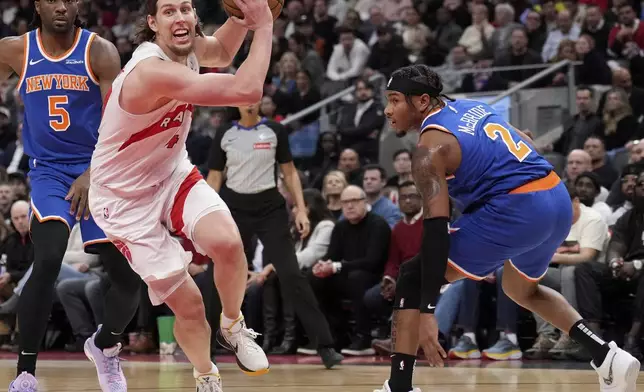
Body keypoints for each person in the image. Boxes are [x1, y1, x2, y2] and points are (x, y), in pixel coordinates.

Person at [374, 64, 640, 392]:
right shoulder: (473, 107)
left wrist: (428, 310)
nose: (387, 109)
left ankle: (399, 387)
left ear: (423, 101)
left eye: (395, 100)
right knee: (521, 289)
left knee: (413, 275)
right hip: (555, 197)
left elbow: (435, 234)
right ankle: (607, 356)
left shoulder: (428, 151)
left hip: (518, 209)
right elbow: (525, 140)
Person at [87, 0, 277, 389]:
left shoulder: (190, 47)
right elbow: (247, 89)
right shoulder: (150, 71)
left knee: (227, 243)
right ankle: (206, 374)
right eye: (169, 11)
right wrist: (265, 23)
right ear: (152, 23)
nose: (181, 18)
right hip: (123, 200)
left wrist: (242, 14)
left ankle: (232, 325)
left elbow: (222, 52)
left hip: (171, 172)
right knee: (189, 305)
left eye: (187, 8)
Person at [0, 0, 143, 390]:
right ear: (37, 5)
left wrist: (92, 173)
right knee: (46, 261)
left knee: (129, 281)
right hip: (48, 173)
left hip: (100, 168)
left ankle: (105, 346)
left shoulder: (99, 51)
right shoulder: (16, 49)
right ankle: (25, 374)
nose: (61, 6)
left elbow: (124, 124)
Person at [206, 102, 343, 367]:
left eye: (254, 95)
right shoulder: (225, 132)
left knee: (291, 274)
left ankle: (325, 346)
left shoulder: (274, 130)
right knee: (220, 274)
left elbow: (289, 172)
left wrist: (301, 210)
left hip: (270, 208)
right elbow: (214, 177)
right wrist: (208, 214)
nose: (249, 100)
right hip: (234, 208)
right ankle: (208, 345)